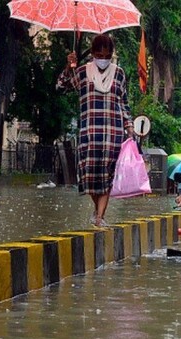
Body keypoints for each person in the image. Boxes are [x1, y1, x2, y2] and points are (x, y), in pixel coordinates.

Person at [56, 34, 134, 227]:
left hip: (113, 133)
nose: (103, 58)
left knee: (108, 176)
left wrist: (129, 125)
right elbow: (60, 87)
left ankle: (99, 217)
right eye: (99, 54)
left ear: (112, 55)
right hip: (89, 134)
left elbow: (123, 103)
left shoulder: (119, 74)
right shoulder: (82, 72)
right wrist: (69, 66)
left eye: (107, 55)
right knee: (90, 176)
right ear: (92, 53)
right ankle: (97, 211)